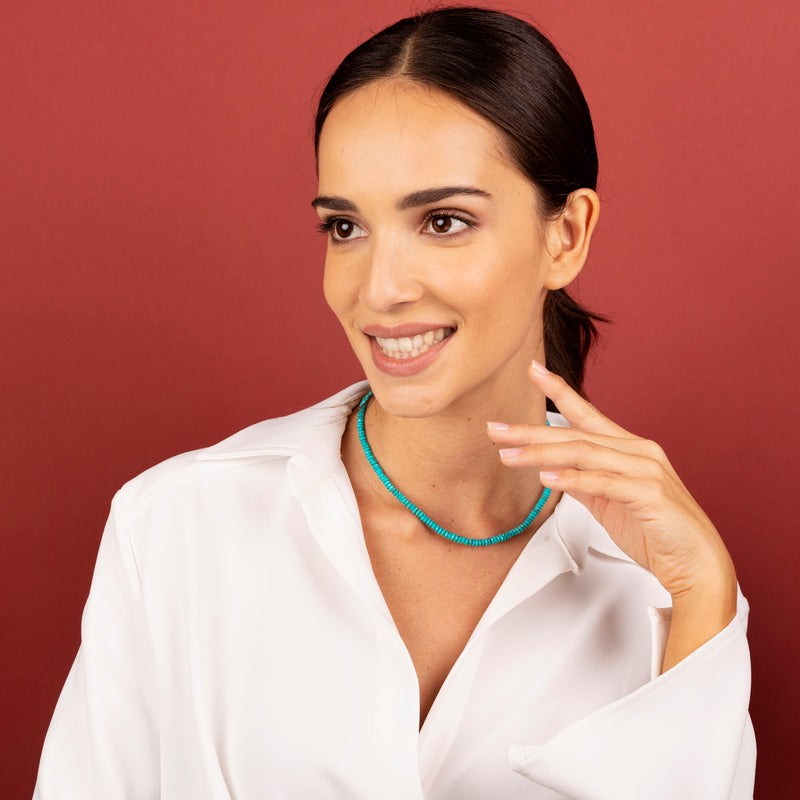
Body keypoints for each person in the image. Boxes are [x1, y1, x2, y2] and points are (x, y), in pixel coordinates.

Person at [34, 6, 755, 799]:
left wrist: (704, 603)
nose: (378, 290)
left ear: (567, 236)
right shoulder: (178, 526)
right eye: (345, 228)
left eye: (443, 221)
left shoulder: (662, 585)